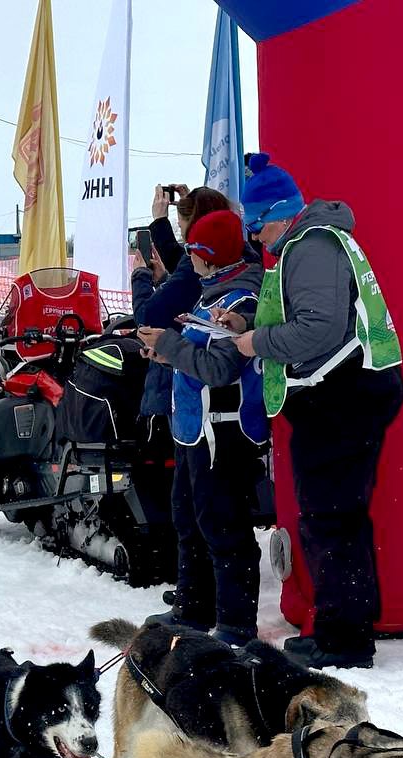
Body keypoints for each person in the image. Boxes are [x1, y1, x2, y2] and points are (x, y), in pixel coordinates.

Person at [233, 153, 403, 669]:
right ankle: (343, 626)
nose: (256, 238)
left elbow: (317, 330)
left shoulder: (311, 248)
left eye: (257, 225)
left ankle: (345, 641)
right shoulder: (312, 244)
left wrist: (255, 343)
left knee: (331, 519)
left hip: (341, 397)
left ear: (280, 215)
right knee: (337, 517)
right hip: (348, 393)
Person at [137, 211, 268, 646]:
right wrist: (165, 353)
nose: (186, 257)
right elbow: (199, 356)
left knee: (222, 524)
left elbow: (219, 369)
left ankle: (235, 623)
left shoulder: (240, 299)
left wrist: (172, 346)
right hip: (196, 429)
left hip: (224, 432)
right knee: (189, 519)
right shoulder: (213, 292)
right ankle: (193, 608)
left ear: (208, 257)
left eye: (192, 250)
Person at [130, 185, 237, 426]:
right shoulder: (236, 258)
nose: (188, 252)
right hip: (212, 399)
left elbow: (148, 316)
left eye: (182, 228)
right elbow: (190, 277)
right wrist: (167, 280)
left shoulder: (211, 270)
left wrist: (140, 276)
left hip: (196, 400)